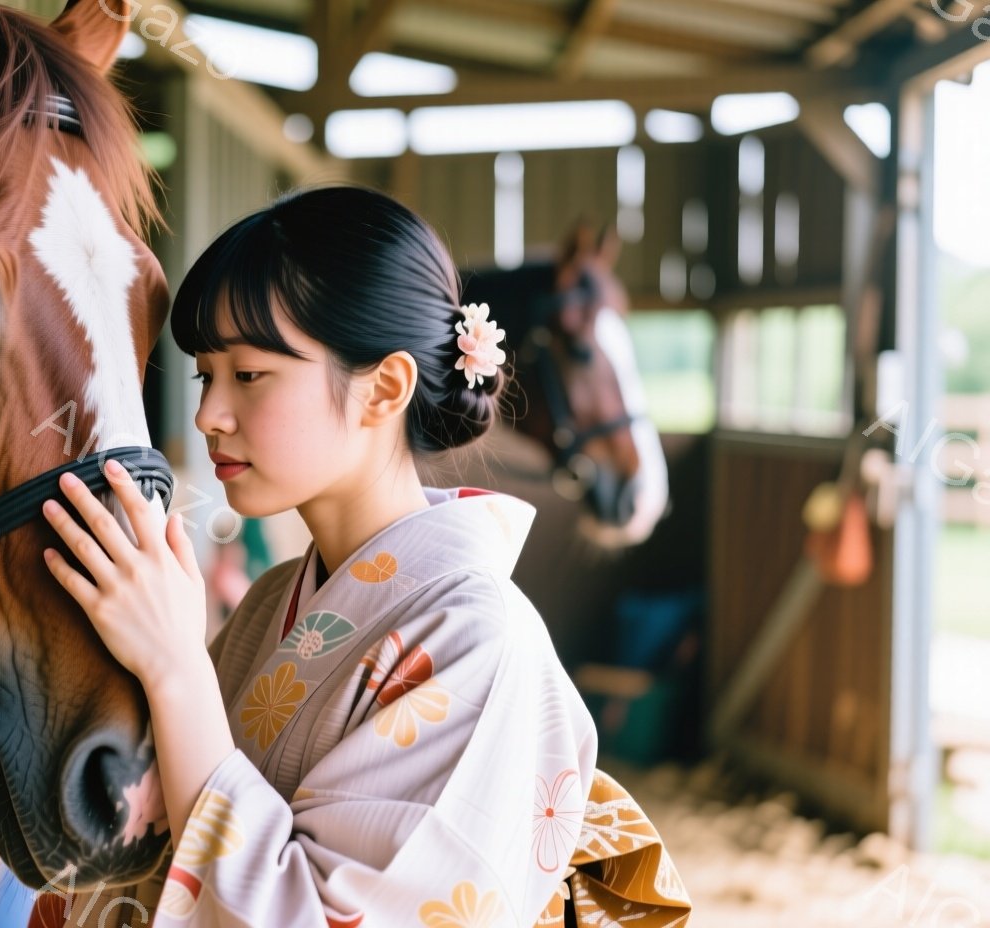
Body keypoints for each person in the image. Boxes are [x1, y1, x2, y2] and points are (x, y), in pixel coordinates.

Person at [34, 186, 690, 927]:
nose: (209, 415)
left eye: (247, 375)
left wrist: (176, 668)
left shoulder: (479, 639)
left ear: (384, 389)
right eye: (204, 375)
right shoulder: (274, 601)